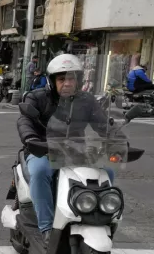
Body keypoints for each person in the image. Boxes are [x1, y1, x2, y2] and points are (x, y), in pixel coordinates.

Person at [16, 54, 118, 242]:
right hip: (43, 149)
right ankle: (46, 227)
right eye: (62, 79)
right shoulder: (37, 97)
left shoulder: (87, 101)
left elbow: (102, 123)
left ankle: (102, 218)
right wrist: (31, 138)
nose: (67, 83)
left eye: (71, 79)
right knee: (40, 172)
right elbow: (25, 120)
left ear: (77, 81)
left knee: (108, 173)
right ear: (52, 81)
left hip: (75, 150)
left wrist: (116, 136)